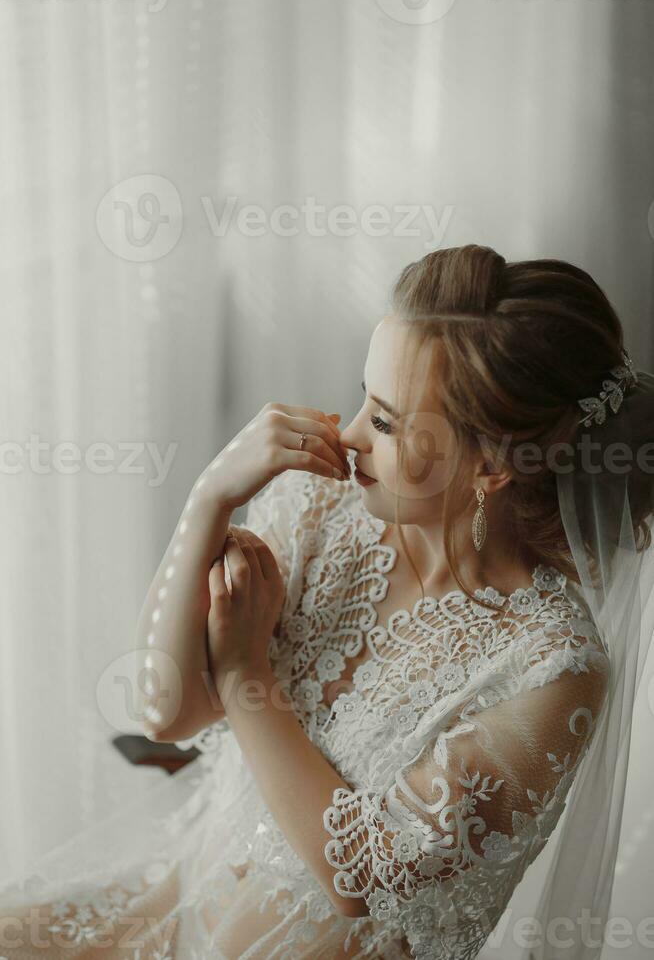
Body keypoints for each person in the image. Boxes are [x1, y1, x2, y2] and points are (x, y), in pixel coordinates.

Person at [1, 244, 652, 959]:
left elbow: (366, 875)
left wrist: (249, 679)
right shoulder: (318, 509)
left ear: (491, 466)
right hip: (168, 909)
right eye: (363, 392)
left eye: (385, 421)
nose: (346, 435)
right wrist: (209, 501)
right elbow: (167, 708)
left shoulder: (553, 667)